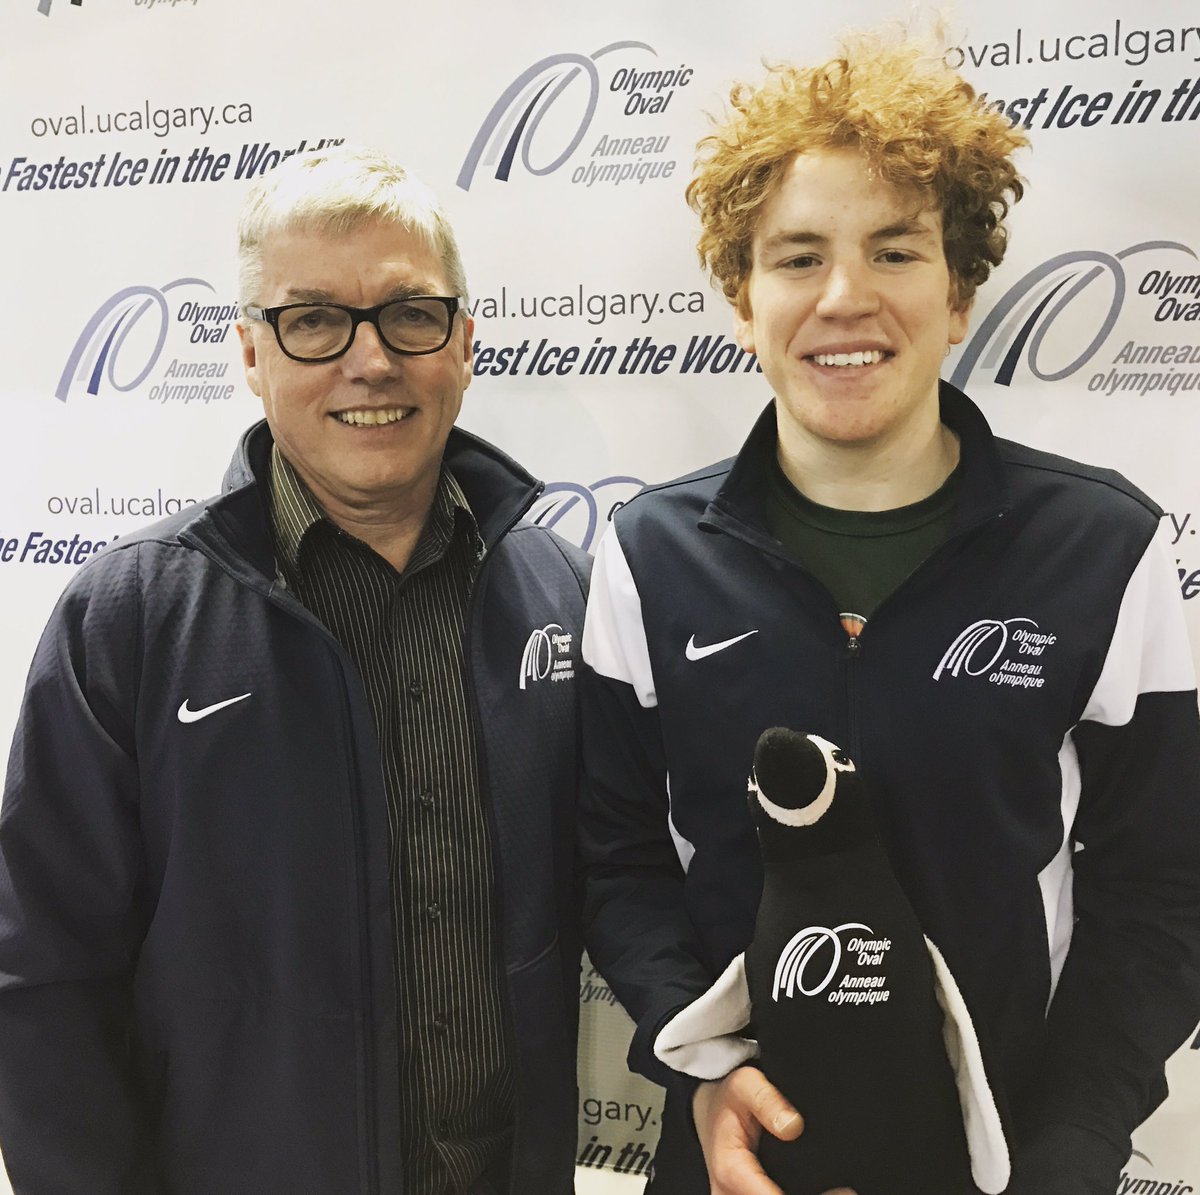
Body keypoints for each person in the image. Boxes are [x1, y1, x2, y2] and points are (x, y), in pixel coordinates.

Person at [578, 31, 1200, 1195]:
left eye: (896, 250)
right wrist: (702, 1069)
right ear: (743, 300)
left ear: (958, 294)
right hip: (734, 1157)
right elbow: (616, 861)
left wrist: (1069, 1148)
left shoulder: (1105, 550)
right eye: (798, 256)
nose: (845, 297)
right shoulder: (647, 556)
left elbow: (1165, 890)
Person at [0, 147, 589, 1194]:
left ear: (463, 342)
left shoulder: (560, 591)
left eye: (410, 314)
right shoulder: (130, 618)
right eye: (313, 320)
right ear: (249, 352)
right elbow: (41, 974)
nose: (371, 361)